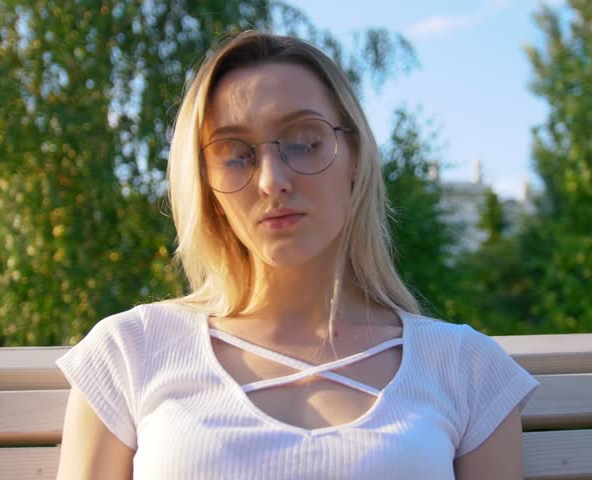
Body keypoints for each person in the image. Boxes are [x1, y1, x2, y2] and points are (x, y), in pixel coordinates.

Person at [54, 30, 540, 480]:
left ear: (354, 157)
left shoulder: (465, 368)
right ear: (205, 184)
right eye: (234, 154)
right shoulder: (130, 352)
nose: (271, 181)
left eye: (305, 143)